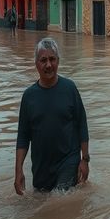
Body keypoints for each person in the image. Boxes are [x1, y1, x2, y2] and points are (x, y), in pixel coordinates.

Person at [15, 37, 90, 194]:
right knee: (41, 205)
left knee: (59, 200)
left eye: (52, 59)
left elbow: (82, 124)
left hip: (68, 161)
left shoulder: (69, 89)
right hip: (42, 168)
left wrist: (84, 160)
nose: (48, 65)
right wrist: (18, 170)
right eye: (43, 60)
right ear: (36, 64)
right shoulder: (29, 96)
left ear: (58, 61)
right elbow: (23, 136)